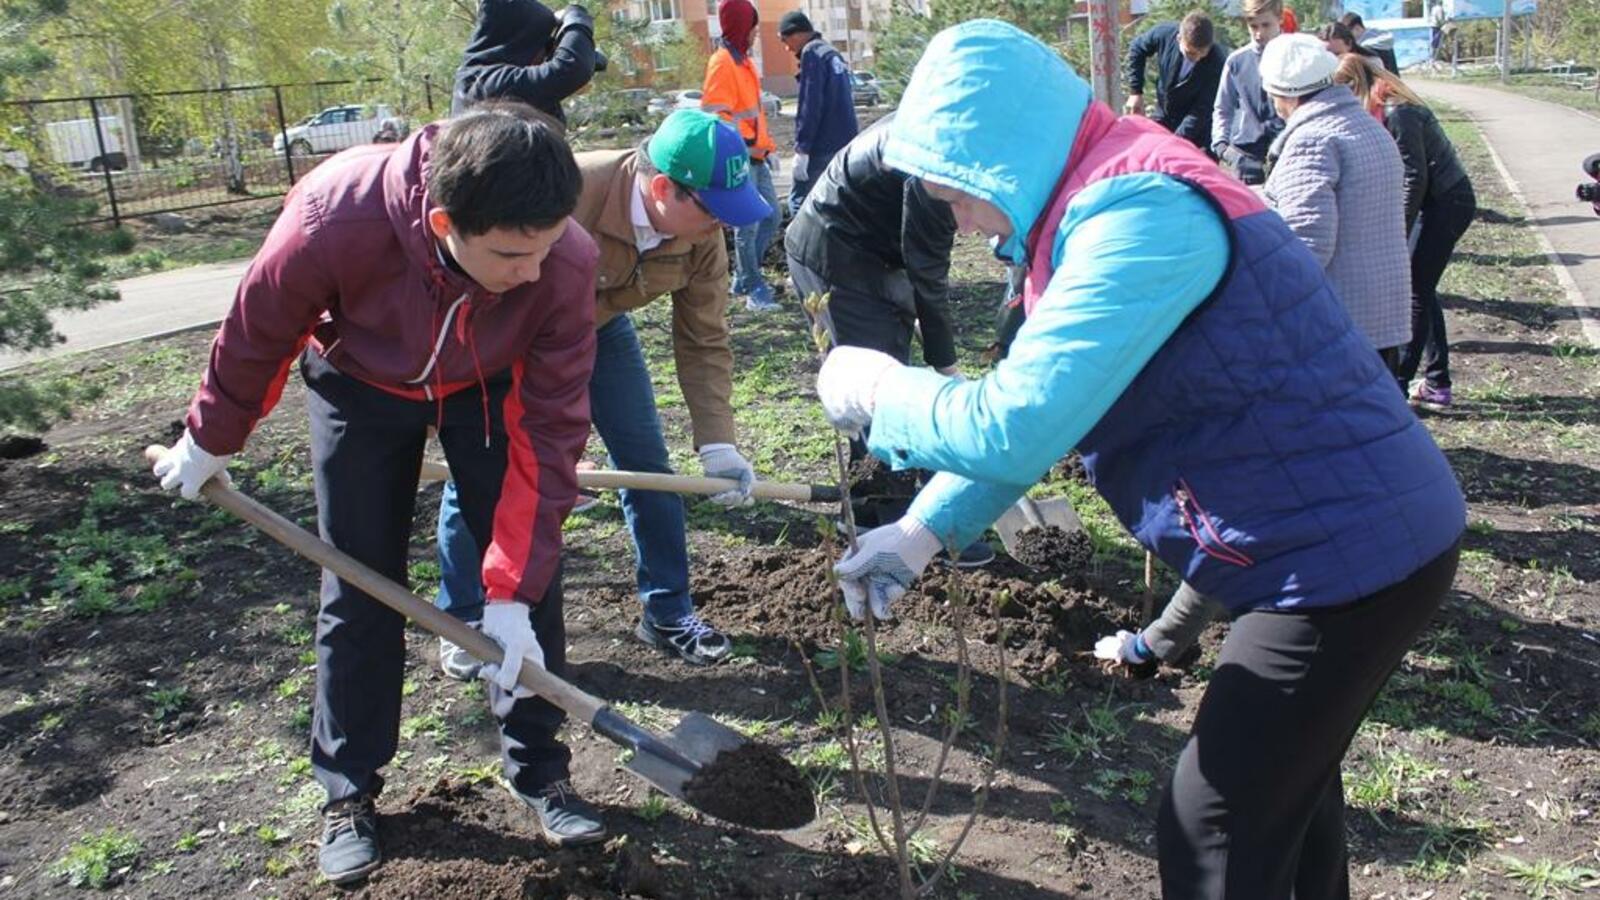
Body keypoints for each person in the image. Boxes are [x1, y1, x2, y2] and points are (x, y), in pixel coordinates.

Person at [814, 19, 1464, 899]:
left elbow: (1014, 424)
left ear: (1005, 155)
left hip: (1344, 561)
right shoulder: (1099, 198)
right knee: (1285, 802)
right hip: (1337, 541)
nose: (962, 221)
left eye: (959, 194)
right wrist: (923, 532)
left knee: (1215, 825)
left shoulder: (1140, 214)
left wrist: (880, 392)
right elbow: (1047, 405)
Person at [150, 102, 606, 882]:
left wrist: (509, 593)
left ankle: (540, 769)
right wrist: (211, 438)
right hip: (359, 379)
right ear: (441, 223)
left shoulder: (562, 262)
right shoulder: (334, 216)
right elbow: (260, 327)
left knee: (531, 586)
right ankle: (349, 791)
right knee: (358, 581)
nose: (531, 272)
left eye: (545, 248)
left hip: (488, 387)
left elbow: (555, 429)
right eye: (508, 255)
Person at [435, 109, 773, 672]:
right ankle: (464, 616)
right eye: (714, 209)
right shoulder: (573, 191)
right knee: (484, 465)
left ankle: (667, 609)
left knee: (647, 464)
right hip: (513, 330)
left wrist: (718, 441)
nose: (723, 225)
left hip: (600, 329)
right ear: (663, 188)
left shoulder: (702, 238)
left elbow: (705, 338)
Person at [785, 117, 994, 567]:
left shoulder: (973, 146)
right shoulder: (940, 167)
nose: (977, 232)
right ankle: (888, 515)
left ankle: (880, 503)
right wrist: (947, 366)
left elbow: (921, 268)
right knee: (876, 382)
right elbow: (928, 274)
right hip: (835, 246)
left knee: (894, 365)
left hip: (878, 245)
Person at [1261, 36, 1412, 372]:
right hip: (1381, 314)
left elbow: (1308, 242)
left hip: (1338, 324)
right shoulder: (1367, 128)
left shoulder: (1313, 139)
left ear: (1285, 93)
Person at [1335, 54, 1475, 407]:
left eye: (1346, 93)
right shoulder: (1386, 107)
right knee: (1421, 289)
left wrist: (1396, 228)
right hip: (1434, 203)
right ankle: (1436, 381)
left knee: (1414, 290)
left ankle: (1397, 384)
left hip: (1447, 202)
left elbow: (1414, 176)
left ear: (1358, 85)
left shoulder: (1399, 111)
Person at [703, 0, 784, 311]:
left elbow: (754, 115)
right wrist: (741, 149)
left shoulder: (744, 63)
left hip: (757, 155)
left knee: (771, 216)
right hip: (740, 157)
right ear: (740, 27)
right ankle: (754, 289)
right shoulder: (722, 63)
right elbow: (716, 116)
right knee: (746, 224)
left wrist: (769, 148)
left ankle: (744, 277)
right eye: (751, 27)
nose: (754, 34)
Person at [451, 0, 601, 121]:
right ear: (521, 45)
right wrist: (577, 19)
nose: (545, 54)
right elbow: (572, 68)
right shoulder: (483, 83)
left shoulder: (479, 76)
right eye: (543, 44)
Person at [779, 9, 859, 214]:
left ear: (796, 33)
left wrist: (803, 149)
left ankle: (800, 246)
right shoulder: (831, 53)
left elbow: (810, 104)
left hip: (822, 147)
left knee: (799, 202)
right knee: (836, 203)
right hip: (845, 145)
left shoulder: (812, 53)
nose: (787, 48)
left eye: (785, 40)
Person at [1123, 11, 1227, 152]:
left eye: (1202, 54)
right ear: (1179, 39)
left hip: (1198, 131)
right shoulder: (1165, 34)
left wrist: (1175, 142)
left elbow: (1202, 109)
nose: (1196, 59)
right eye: (1190, 53)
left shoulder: (1217, 61)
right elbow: (1137, 49)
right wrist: (1135, 91)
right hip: (1165, 114)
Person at [1211, 0, 1285, 185]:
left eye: (1266, 25)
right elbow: (1223, 107)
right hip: (1247, 156)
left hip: (1286, 152)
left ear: (1280, 19)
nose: (1259, 33)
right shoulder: (1236, 61)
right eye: (1253, 26)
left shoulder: (1293, 56)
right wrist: (1221, 145)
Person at [1318, 21, 1388, 72]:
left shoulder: (1372, 64)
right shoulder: (1320, 70)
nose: (1335, 59)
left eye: (1337, 54)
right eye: (1328, 55)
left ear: (1349, 44)